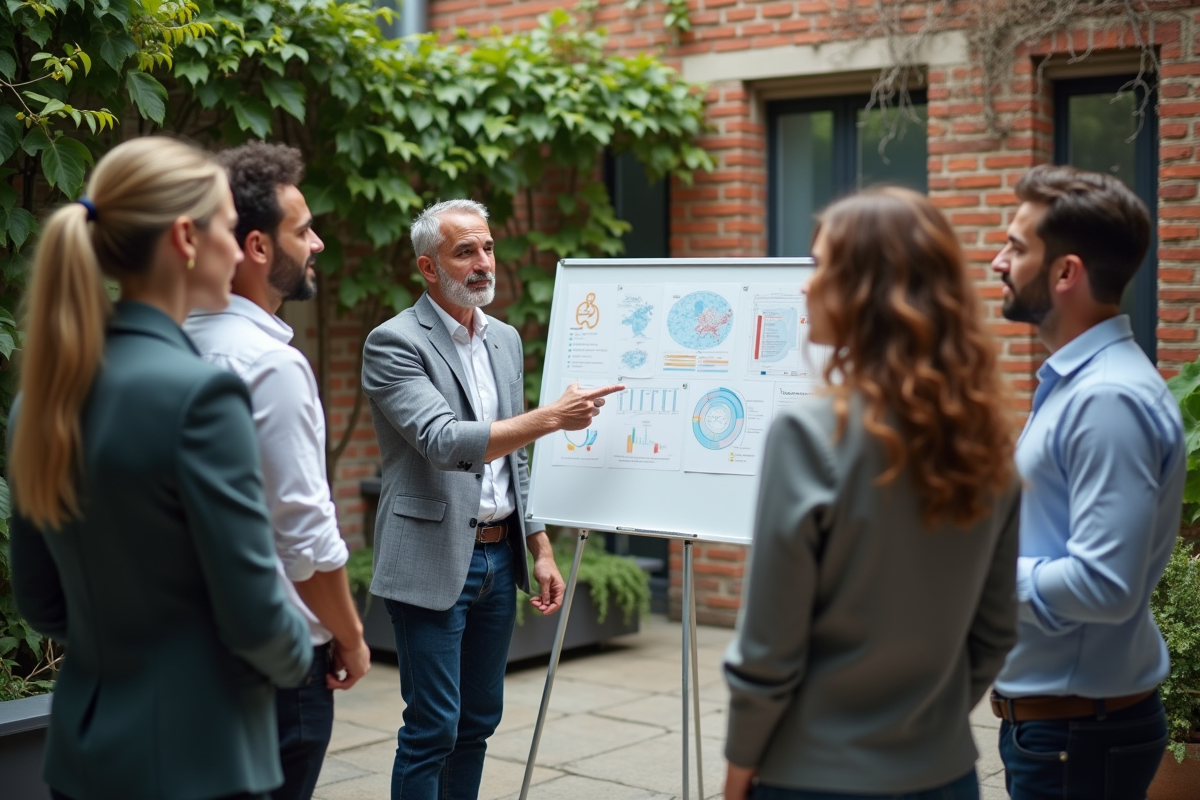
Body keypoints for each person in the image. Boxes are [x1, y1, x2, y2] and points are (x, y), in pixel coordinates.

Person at [9, 136, 312, 800]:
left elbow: (41, 599)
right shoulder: (202, 396)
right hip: (201, 760)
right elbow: (256, 615)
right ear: (185, 237)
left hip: (81, 757)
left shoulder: (40, 398)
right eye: (229, 231)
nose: (237, 252)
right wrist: (305, 652)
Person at [723, 187, 1021, 800]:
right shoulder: (989, 442)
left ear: (870, 289)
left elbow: (768, 650)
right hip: (944, 774)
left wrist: (737, 774)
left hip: (812, 776)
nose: (806, 286)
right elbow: (995, 633)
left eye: (822, 265)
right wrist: (922, 724)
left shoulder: (810, 435)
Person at [361, 199, 623, 800]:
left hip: (498, 559)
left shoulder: (504, 340)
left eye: (488, 247)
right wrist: (552, 417)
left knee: (478, 722)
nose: (484, 263)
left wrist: (540, 547)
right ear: (429, 268)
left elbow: (514, 457)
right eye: (465, 252)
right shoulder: (393, 342)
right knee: (432, 728)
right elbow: (444, 442)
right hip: (428, 556)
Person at [989, 165, 1183, 799]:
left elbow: (1104, 585)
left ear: (1065, 272)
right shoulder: (1080, 384)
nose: (998, 261)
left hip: (1075, 737)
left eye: (1016, 247)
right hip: (1064, 730)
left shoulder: (1107, 400)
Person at [184, 141, 370, 800]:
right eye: (304, 229)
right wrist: (349, 637)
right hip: (274, 664)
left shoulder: (174, 343)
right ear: (258, 248)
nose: (317, 243)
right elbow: (305, 538)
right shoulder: (269, 365)